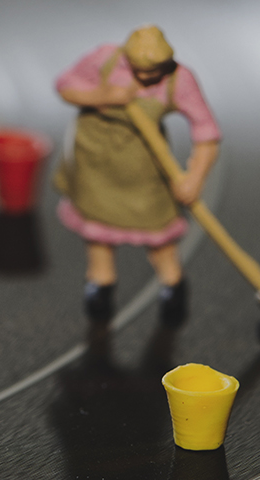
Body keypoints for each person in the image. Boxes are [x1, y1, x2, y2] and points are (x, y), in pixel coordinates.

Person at [53, 25, 220, 321]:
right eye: (138, 70)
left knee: (159, 239)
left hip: (145, 175)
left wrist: (195, 177)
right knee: (98, 237)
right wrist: (101, 96)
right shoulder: (104, 59)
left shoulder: (179, 80)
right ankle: (100, 286)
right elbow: (65, 86)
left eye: (152, 71)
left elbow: (206, 131)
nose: (144, 78)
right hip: (95, 168)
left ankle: (172, 288)